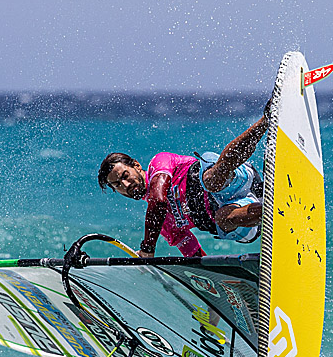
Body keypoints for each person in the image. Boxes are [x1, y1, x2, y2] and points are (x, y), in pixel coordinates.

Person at [97, 107, 271, 258]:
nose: (126, 185)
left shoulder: (160, 162)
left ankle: (267, 119)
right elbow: (194, 256)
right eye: (117, 185)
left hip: (237, 180)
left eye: (125, 175)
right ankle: (273, 211)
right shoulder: (163, 225)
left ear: (136, 165)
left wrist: (148, 248)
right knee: (223, 219)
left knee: (210, 181)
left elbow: (158, 200)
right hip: (246, 213)